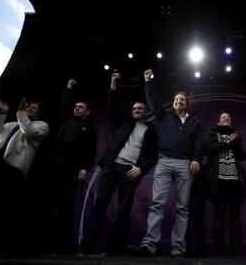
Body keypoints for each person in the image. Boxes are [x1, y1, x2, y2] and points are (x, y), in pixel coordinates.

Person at [79, 71, 158, 256]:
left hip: (129, 171)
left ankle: (116, 250)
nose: (136, 111)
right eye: (133, 109)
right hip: (112, 167)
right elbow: (112, 106)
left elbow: (152, 155)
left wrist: (140, 168)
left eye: (139, 109)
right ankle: (87, 248)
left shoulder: (150, 131)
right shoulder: (125, 123)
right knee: (100, 206)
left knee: (123, 210)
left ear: (146, 112)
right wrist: (113, 84)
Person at [127, 69, 204, 258]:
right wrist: (148, 82)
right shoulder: (165, 115)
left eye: (182, 100)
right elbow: (152, 101)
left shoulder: (195, 122)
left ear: (187, 103)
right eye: (176, 99)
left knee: (182, 209)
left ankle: (177, 249)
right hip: (164, 162)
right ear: (174, 102)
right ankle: (149, 246)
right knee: (156, 204)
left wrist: (196, 159)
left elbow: (199, 144)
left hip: (185, 165)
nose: (179, 102)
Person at [0, 96, 49, 256]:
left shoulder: (41, 125)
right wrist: (1, 113)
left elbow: (28, 131)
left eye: (34, 108)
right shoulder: (12, 124)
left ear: (39, 113)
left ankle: (3, 248)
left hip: (12, 169)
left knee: (5, 209)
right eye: (27, 106)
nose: (29, 109)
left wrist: (21, 113)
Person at [48, 79, 97, 254]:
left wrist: (85, 167)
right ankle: (46, 241)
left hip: (72, 169)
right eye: (75, 106)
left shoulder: (89, 129)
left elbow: (90, 151)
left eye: (81, 107)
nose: (76, 108)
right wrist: (68, 89)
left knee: (66, 206)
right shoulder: (66, 121)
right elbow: (65, 105)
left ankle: (62, 244)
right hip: (55, 166)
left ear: (88, 112)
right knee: (50, 204)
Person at [201, 112, 246, 258]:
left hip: (234, 179)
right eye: (223, 118)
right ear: (218, 122)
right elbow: (207, 150)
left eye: (228, 118)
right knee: (219, 212)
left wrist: (235, 142)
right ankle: (219, 251)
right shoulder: (212, 134)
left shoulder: (236, 136)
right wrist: (227, 143)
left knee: (235, 213)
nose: (226, 119)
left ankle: (236, 251)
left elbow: (243, 156)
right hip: (218, 179)